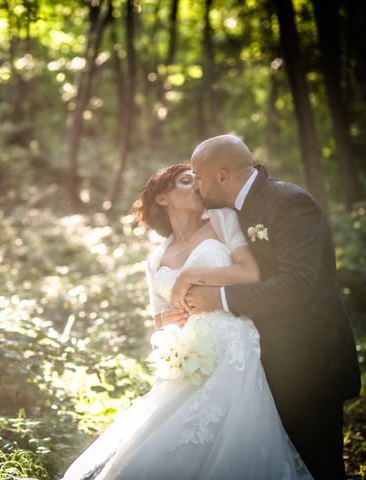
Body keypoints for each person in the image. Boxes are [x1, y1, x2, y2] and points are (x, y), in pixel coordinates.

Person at [61, 163, 312, 480]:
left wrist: (192, 276)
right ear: (163, 197)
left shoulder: (222, 220)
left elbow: (249, 273)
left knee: (230, 435)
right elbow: (159, 325)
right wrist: (166, 320)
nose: (196, 185)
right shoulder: (155, 260)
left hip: (233, 343)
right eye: (184, 181)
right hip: (190, 358)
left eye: (198, 180)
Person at [185, 134, 361, 479]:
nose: (196, 187)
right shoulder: (227, 213)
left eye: (199, 177)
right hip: (260, 364)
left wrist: (219, 298)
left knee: (317, 465)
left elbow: (298, 285)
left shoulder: (290, 203)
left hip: (307, 364)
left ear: (222, 176)